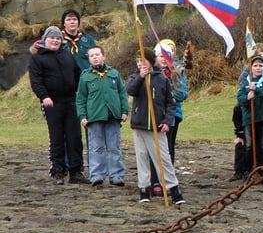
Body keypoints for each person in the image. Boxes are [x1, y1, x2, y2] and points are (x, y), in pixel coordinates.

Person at [28, 26, 90, 185]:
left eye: (58, 38)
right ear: (45, 39)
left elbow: (77, 75)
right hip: (52, 102)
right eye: (52, 38)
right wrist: (44, 96)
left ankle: (76, 171)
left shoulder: (67, 55)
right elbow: (36, 81)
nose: (55, 40)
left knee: (75, 136)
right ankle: (58, 171)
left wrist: (82, 91)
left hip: (71, 101)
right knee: (56, 137)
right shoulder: (37, 58)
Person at [126, 48, 185, 204]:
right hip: (139, 125)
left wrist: (166, 121)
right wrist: (140, 77)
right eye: (138, 61)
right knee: (142, 157)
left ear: (151, 62)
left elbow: (170, 104)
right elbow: (131, 90)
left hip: (157, 125)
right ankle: (144, 189)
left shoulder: (162, 79)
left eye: (143, 61)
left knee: (163, 158)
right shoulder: (134, 77)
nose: (140, 64)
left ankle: (173, 188)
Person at [76, 45, 129, 187]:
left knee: (114, 147)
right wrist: (82, 116)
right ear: (89, 59)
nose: (95, 57)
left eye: (97, 54)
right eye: (91, 55)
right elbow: (81, 99)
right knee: (96, 147)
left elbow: (122, 94)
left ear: (103, 56)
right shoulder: (85, 76)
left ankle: (116, 175)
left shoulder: (114, 74)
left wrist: (124, 111)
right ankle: (96, 175)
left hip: (113, 116)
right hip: (94, 117)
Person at [149, 39, 189, 197]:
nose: (164, 60)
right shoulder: (152, 73)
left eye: (167, 57)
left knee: (168, 149)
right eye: (161, 56)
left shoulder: (176, 73)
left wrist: (168, 93)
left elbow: (182, 94)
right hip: (154, 116)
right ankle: (155, 181)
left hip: (172, 116)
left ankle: (167, 180)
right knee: (154, 149)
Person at [237, 55, 263, 182]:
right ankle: (248, 170)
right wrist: (247, 97)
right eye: (255, 65)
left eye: (260, 66)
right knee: (249, 146)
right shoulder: (246, 82)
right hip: (248, 119)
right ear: (251, 68)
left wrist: (257, 90)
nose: (258, 68)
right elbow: (240, 98)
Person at [228, 103, 249, 181]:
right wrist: (240, 135)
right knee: (240, 146)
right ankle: (239, 172)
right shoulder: (238, 108)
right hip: (243, 132)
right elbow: (237, 122)